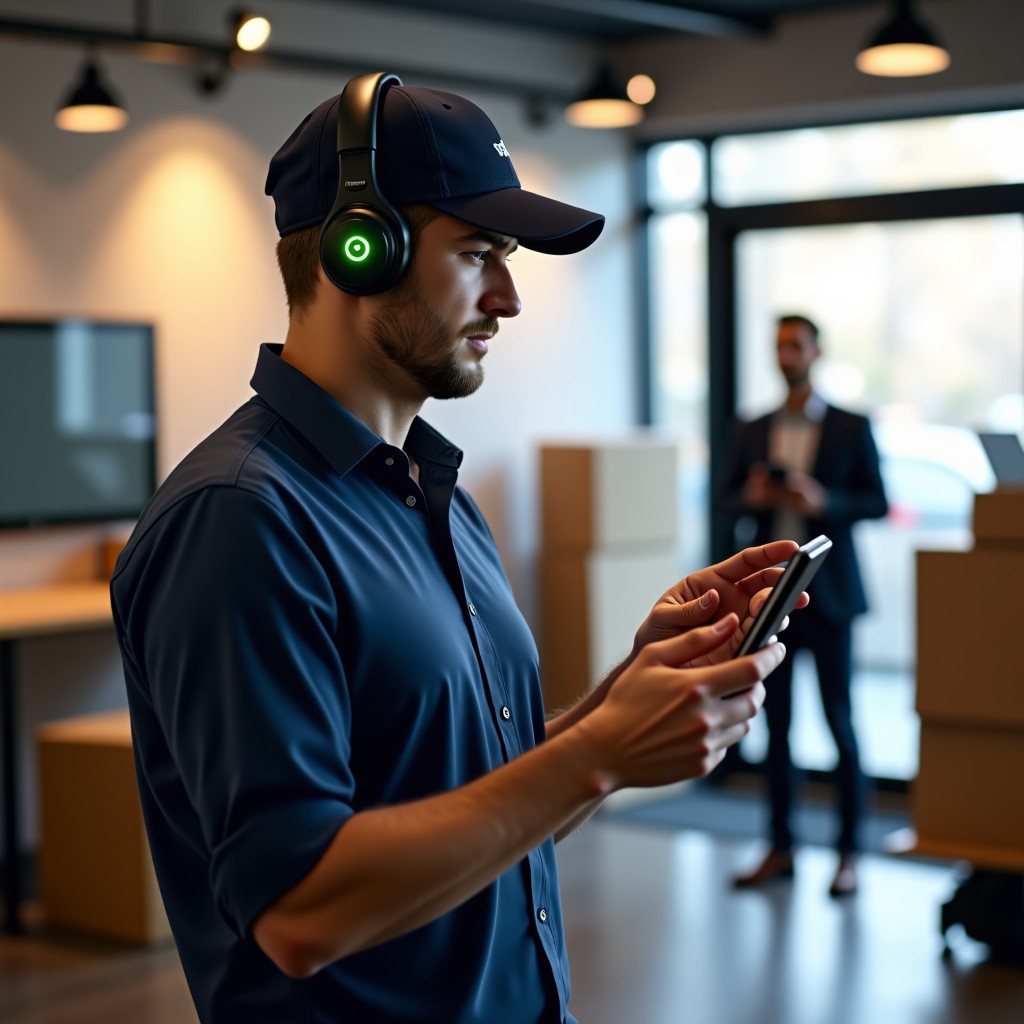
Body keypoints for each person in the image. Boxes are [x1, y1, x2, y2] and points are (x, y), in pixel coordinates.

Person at [110, 73, 800, 1024]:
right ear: (363, 249)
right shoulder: (240, 520)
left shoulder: (433, 494)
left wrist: (622, 694)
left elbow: (464, 792)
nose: (510, 298)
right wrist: (599, 754)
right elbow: (299, 911)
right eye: (479, 253)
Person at [720, 313, 889, 898]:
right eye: (778, 345)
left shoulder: (850, 425)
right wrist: (753, 495)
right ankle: (780, 847)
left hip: (833, 596)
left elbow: (878, 501)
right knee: (779, 729)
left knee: (841, 726)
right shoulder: (753, 425)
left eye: (795, 345)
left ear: (817, 352)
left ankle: (849, 856)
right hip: (774, 598)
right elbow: (724, 496)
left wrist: (825, 499)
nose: (785, 354)